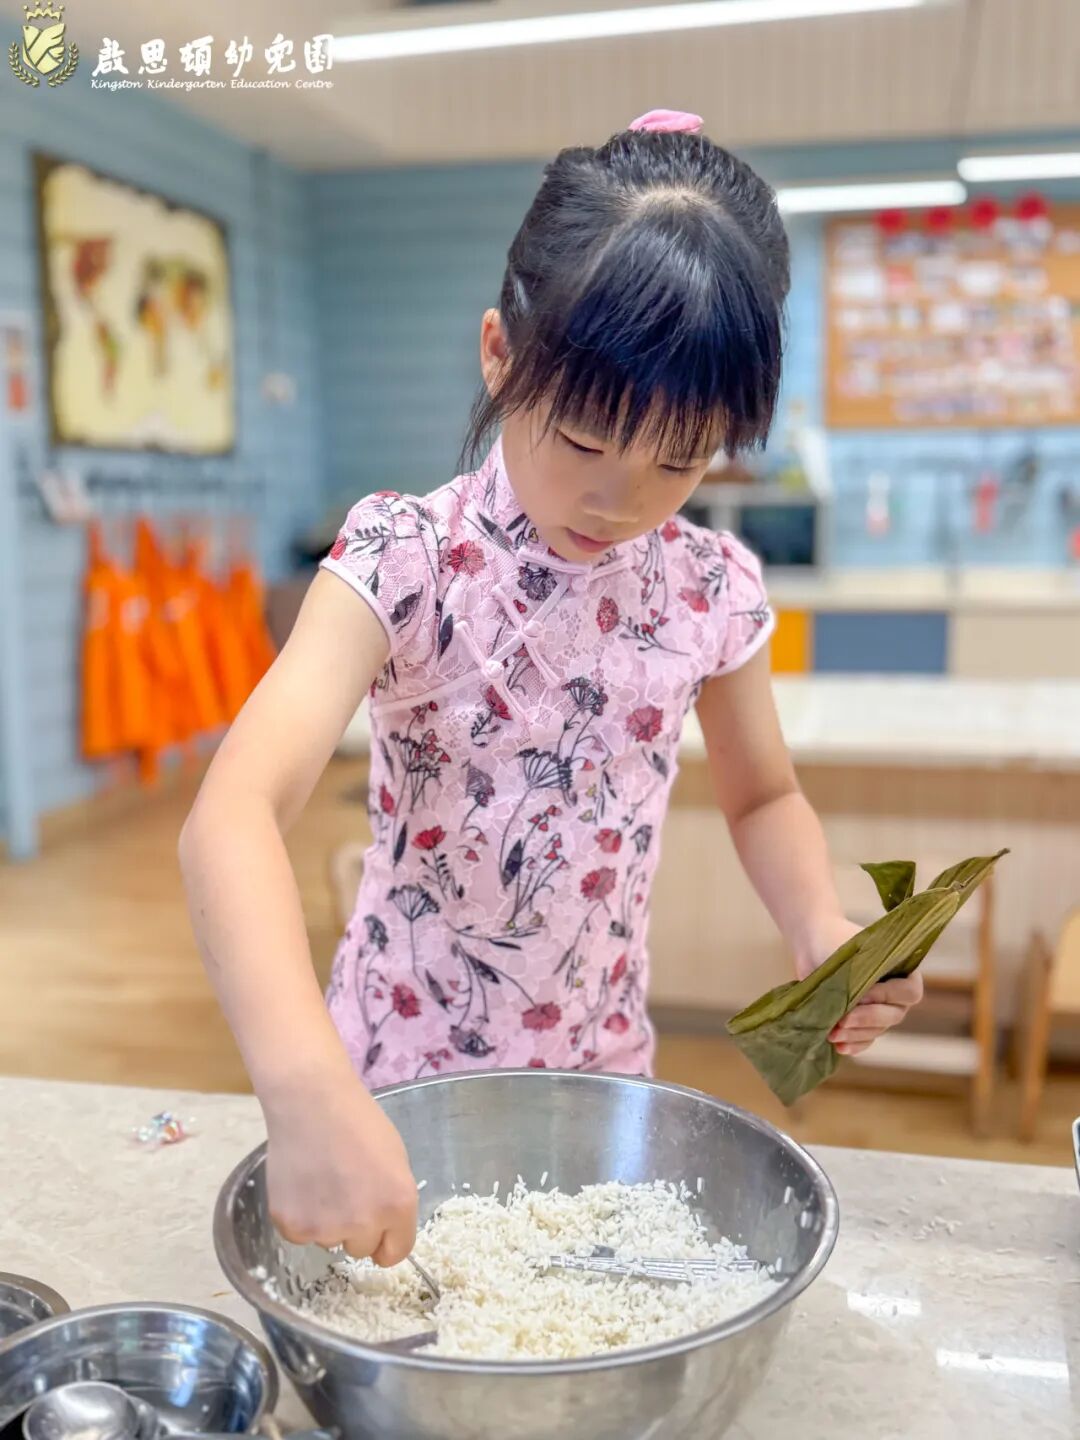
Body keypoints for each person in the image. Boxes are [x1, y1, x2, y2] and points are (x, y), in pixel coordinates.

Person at [180, 108, 923, 1268]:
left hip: (599, 1075)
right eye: (581, 440)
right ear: (498, 355)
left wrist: (819, 924)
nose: (620, 502)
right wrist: (305, 1086)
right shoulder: (406, 558)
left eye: (678, 461)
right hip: (388, 1079)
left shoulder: (707, 586)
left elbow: (765, 798)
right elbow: (230, 816)